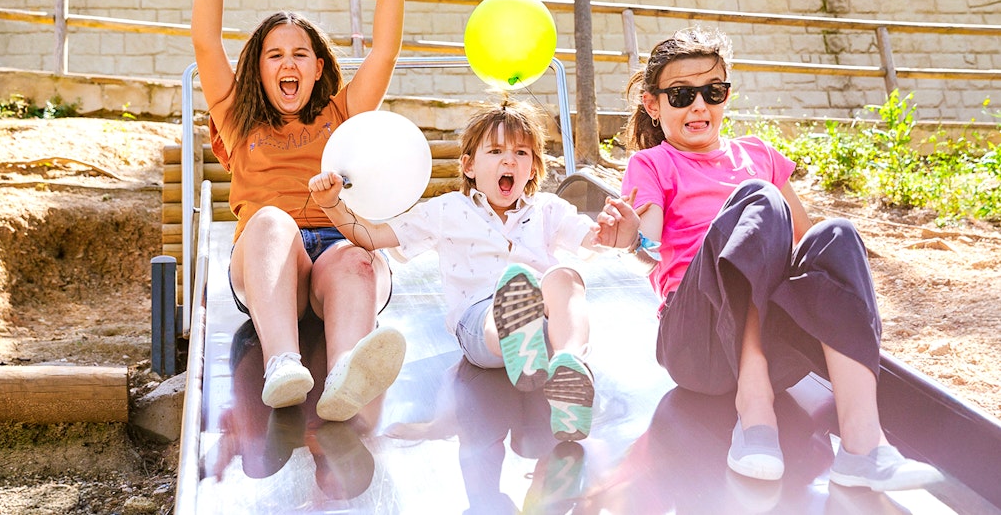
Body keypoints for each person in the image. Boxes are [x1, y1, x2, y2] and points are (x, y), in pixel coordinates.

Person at [619, 25, 944, 490]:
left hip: (779, 355)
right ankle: (754, 417)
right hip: (699, 347)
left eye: (712, 91)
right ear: (653, 105)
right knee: (760, 200)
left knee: (837, 233)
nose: (699, 105)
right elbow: (649, 252)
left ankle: (863, 447)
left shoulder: (760, 154)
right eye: (681, 95)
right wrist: (632, 238)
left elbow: (809, 247)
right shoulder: (652, 165)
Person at [190, 0, 417, 420]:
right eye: (274, 55)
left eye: (300, 54)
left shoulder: (342, 113)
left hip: (336, 255)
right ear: (257, 68)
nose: (288, 64)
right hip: (274, 270)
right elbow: (204, 40)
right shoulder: (239, 116)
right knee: (269, 221)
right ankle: (283, 363)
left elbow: (384, 49)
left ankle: (344, 376)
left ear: (318, 69)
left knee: (357, 257)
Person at [307, 99, 643, 441]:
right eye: (496, 151)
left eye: (522, 153)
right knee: (502, 309)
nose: (510, 160)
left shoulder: (547, 209)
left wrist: (619, 236)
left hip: (545, 324)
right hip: (480, 322)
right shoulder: (446, 210)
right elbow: (372, 236)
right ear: (469, 165)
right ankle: (517, 337)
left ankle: (570, 368)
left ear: (534, 167)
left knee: (566, 279)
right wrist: (332, 204)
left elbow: (593, 239)